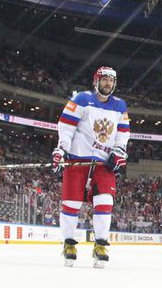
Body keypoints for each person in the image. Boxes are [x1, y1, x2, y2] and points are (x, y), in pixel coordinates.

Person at [53, 66, 130, 268]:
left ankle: (101, 245)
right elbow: (66, 126)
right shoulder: (81, 99)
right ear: (96, 81)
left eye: (111, 81)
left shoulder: (120, 106)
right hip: (78, 159)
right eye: (105, 80)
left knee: (105, 202)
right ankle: (69, 244)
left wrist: (119, 152)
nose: (108, 84)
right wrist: (61, 149)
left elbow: (123, 134)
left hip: (104, 163)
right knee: (71, 203)